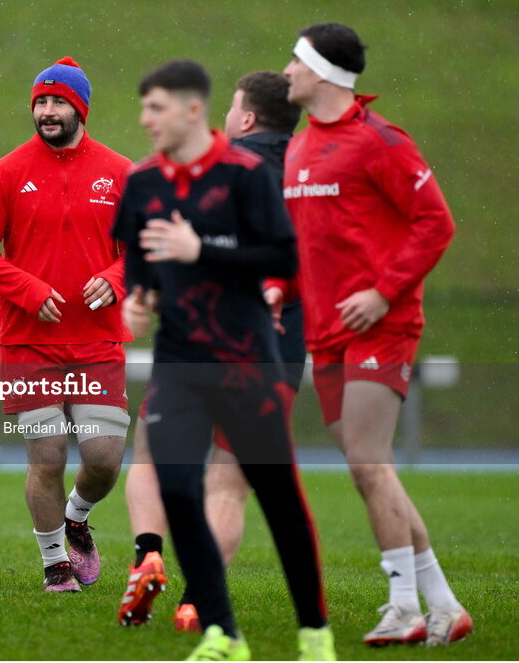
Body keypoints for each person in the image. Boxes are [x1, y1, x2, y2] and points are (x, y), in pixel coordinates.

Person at [112, 59, 334, 661]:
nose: (145, 119)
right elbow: (140, 264)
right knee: (180, 489)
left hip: (248, 361)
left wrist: (200, 247)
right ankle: (221, 632)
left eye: (156, 108)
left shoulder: (246, 173)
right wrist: (139, 300)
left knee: (278, 495)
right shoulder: (142, 183)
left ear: (193, 110)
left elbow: (284, 259)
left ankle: (314, 633)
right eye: (143, 108)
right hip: (181, 363)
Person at [282, 22, 470, 647]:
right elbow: (302, 247)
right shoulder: (300, 149)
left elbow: (435, 223)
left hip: (381, 327)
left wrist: (384, 290)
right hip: (326, 334)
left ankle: (403, 606)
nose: (286, 72)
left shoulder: (380, 142)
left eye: (295, 60)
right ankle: (443, 605)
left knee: (368, 462)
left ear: (323, 72)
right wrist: (279, 290)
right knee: (372, 468)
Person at [0, 57, 133, 592]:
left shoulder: (121, 173)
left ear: (80, 108)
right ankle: (55, 561)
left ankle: (77, 517)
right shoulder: (6, 172)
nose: (48, 111)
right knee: (49, 454)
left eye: (59, 102)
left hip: (97, 340)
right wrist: (29, 291)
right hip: (28, 341)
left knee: (104, 460)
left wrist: (117, 277)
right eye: (41, 101)